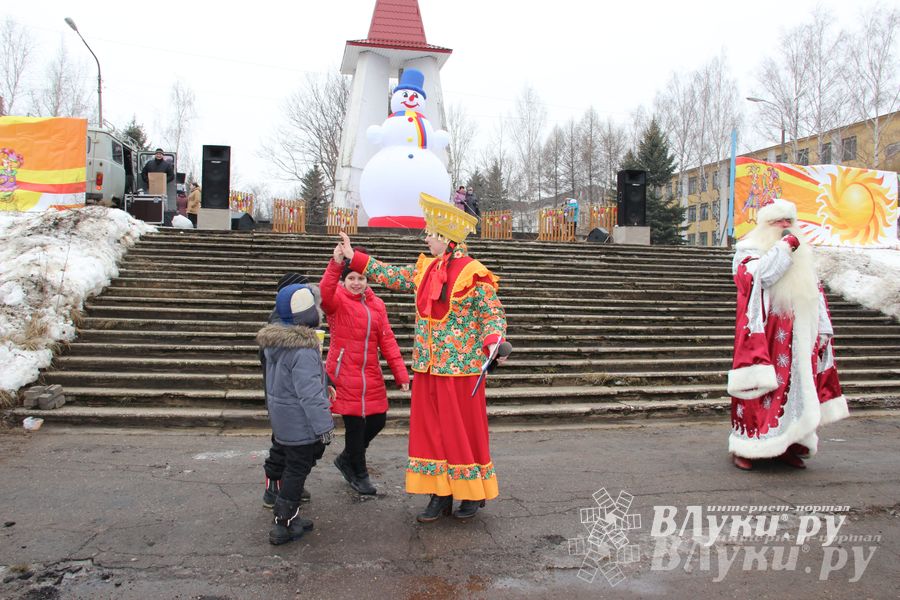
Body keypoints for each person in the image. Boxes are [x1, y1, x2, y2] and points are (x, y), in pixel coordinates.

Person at [336, 193, 507, 522]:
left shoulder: (474, 272)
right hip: (428, 368)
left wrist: (493, 342)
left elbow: (492, 315)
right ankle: (438, 493)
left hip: (461, 370)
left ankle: (470, 493)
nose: (425, 236)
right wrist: (353, 256)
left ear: (445, 237)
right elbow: (393, 276)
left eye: (430, 232)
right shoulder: (425, 268)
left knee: (461, 433)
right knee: (432, 433)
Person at [727, 198, 848, 471]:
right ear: (765, 224)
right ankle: (750, 447)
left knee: (796, 393)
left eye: (788, 221)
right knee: (761, 391)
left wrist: (824, 328)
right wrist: (785, 246)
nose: (785, 226)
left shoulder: (802, 253)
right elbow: (762, 277)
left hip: (799, 335)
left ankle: (789, 444)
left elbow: (814, 292)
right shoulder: (748, 251)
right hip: (765, 335)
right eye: (778, 221)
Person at [320, 244, 410, 495]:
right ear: (344, 280)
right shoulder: (336, 300)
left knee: (378, 420)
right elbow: (325, 293)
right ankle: (359, 474)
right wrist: (335, 263)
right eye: (351, 278)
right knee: (355, 427)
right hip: (343, 372)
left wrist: (401, 374)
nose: (356, 283)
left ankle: (347, 458)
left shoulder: (377, 305)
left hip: (369, 373)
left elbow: (388, 340)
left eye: (361, 278)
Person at [256, 283, 335, 545]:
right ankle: (283, 523)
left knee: (292, 466)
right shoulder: (303, 350)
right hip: (301, 424)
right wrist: (325, 427)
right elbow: (310, 394)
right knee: (297, 470)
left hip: (282, 421)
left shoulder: (276, 343)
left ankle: (290, 516)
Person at [261, 273, 314, 508]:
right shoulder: (279, 326)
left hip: (286, 397)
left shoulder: (293, 324)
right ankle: (275, 488)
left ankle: (287, 487)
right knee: (283, 445)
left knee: (290, 446)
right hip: (284, 398)